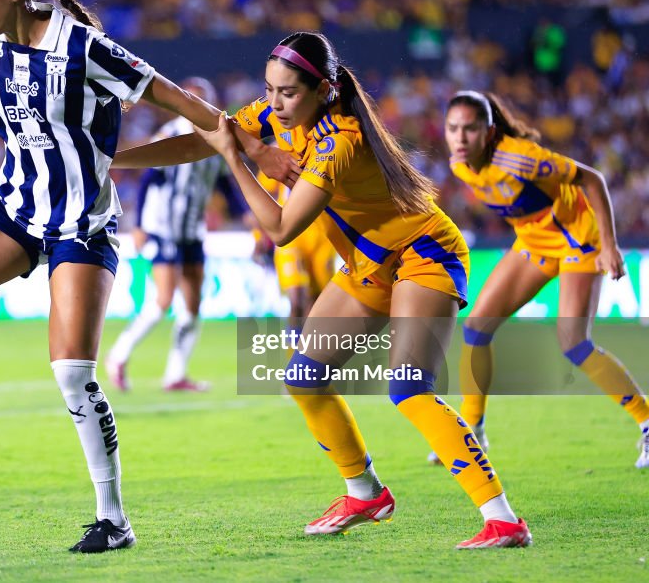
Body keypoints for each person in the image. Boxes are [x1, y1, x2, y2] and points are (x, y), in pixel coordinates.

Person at [0, 0, 299, 555]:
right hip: (16, 210)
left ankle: (113, 520)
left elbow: (183, 102)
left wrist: (258, 149)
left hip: (83, 224)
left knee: (72, 374)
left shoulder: (84, 48)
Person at [114, 32, 531, 549]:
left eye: (288, 92)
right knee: (304, 377)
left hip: (423, 254)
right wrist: (112, 160)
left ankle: (503, 520)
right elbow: (204, 138)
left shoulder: (340, 141)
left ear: (325, 90)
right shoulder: (276, 115)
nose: (274, 102)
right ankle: (365, 493)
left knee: (409, 388)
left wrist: (238, 158)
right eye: (269, 89)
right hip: (367, 265)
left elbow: (281, 227)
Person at [441, 90, 649, 469]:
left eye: (469, 129)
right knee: (476, 327)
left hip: (577, 240)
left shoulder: (522, 158)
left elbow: (593, 180)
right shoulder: (460, 165)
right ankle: (473, 430)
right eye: (452, 128)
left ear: (489, 132)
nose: (460, 137)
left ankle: (647, 423)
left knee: (574, 344)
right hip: (535, 243)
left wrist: (609, 245)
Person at [105, 77, 243, 393]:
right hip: (164, 227)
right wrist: (140, 225)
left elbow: (225, 185)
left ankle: (175, 374)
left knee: (193, 303)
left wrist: (249, 215)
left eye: (202, 100)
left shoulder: (217, 139)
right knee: (164, 300)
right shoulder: (170, 134)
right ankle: (119, 355)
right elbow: (147, 180)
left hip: (192, 230)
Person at [252, 171, 336, 333]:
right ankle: (293, 347)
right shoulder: (282, 154)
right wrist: (258, 236)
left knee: (316, 304)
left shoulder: (331, 156)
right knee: (297, 300)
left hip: (323, 238)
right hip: (292, 237)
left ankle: (307, 347)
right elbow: (261, 191)